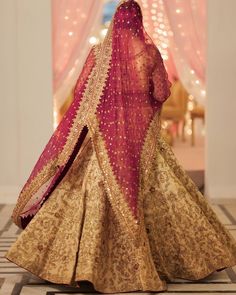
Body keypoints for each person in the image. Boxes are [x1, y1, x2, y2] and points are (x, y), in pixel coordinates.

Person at [5, 0, 236, 293]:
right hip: (141, 145)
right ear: (139, 22)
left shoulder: (98, 55)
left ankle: (82, 265)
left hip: (101, 142)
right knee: (166, 192)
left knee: (82, 192)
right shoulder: (149, 54)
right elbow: (162, 92)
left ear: (115, 22)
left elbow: (83, 95)